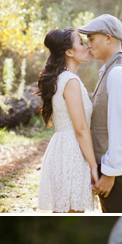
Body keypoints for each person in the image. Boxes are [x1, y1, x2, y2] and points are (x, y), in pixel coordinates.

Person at [78, 14, 122, 213]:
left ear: (108, 38)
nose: (88, 45)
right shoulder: (111, 70)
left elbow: (121, 126)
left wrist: (110, 173)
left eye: (91, 39)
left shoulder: (118, 73)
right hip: (119, 167)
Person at [36, 28, 99, 212]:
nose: (86, 46)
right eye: (81, 43)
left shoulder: (62, 79)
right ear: (69, 52)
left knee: (67, 211)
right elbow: (80, 128)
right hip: (71, 152)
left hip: (63, 148)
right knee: (72, 211)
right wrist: (94, 166)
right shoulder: (70, 81)